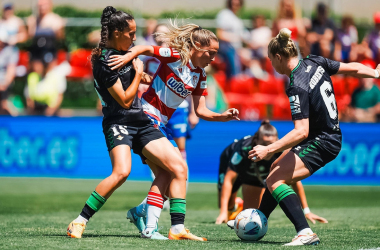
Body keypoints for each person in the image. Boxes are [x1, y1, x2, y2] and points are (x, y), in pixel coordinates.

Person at [66, 7, 196, 241]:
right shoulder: (104, 61)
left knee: (177, 167)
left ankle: (173, 228)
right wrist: (139, 74)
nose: (134, 38)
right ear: (117, 33)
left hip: (142, 121)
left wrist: (143, 76)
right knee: (121, 172)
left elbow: (134, 79)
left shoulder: (124, 52)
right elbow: (125, 100)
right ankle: (79, 221)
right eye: (131, 33)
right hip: (119, 122)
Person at [108, 19, 240, 240]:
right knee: (178, 168)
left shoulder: (200, 76)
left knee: (168, 173)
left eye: (216, 53)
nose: (213, 58)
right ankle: (169, 228)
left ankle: (145, 216)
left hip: (160, 124)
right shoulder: (176, 56)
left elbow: (201, 111)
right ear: (197, 47)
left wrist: (222, 116)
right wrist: (127, 57)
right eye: (210, 52)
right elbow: (146, 48)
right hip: (145, 117)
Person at [248, 28, 380, 246]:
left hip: (323, 140)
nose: (271, 65)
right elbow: (352, 69)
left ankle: (305, 232)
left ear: (279, 57)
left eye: (271, 60)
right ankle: (258, 220)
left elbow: (301, 132)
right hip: (326, 136)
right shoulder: (314, 61)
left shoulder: (295, 85)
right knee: (275, 172)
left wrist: (268, 149)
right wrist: (374, 73)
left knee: (275, 179)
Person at [216, 120, 328, 225]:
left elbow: (294, 181)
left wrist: (306, 210)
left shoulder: (279, 152)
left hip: (257, 171)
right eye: (264, 143)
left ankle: (238, 206)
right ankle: (234, 205)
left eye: (271, 144)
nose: (267, 148)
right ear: (256, 140)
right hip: (233, 163)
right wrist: (223, 212)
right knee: (226, 205)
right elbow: (229, 180)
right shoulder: (243, 149)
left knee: (253, 215)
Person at [215, 0, 250, 79]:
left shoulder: (236, 17)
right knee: (233, 54)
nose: (235, 4)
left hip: (236, 48)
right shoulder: (224, 14)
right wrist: (234, 38)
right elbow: (220, 34)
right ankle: (235, 78)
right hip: (227, 48)